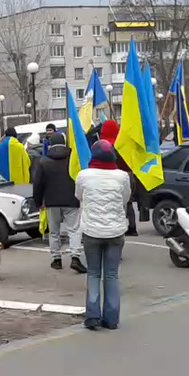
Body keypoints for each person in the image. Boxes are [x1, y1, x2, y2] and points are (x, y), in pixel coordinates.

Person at [75, 140, 131, 331]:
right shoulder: (122, 176)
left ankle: (92, 316)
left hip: (91, 231)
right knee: (112, 274)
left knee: (93, 273)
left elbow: (78, 196)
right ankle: (111, 318)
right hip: (116, 232)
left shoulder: (83, 175)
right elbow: (126, 198)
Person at [32, 133, 86, 273]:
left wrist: (38, 201)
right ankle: (75, 257)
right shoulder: (73, 159)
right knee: (74, 230)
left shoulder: (44, 161)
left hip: (51, 201)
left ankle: (56, 259)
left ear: (50, 144)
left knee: (54, 231)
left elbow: (38, 184)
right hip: (71, 199)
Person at [96, 120, 146, 234]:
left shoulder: (105, 146)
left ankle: (115, 226)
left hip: (113, 176)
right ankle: (132, 227)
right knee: (128, 202)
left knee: (112, 202)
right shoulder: (124, 144)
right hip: (129, 175)